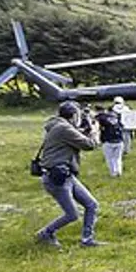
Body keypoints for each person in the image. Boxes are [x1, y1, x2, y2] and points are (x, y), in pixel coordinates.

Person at [34, 101, 103, 248]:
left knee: (92, 205)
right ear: (73, 115)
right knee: (72, 214)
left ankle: (87, 239)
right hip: (57, 177)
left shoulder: (58, 126)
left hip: (65, 174)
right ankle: (45, 233)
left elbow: (76, 135)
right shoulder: (63, 128)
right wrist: (95, 130)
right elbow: (89, 145)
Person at [95, 104, 124, 177]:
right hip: (119, 140)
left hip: (108, 140)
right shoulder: (118, 118)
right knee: (118, 158)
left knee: (109, 158)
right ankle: (119, 171)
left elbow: (97, 119)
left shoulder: (102, 118)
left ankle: (113, 173)